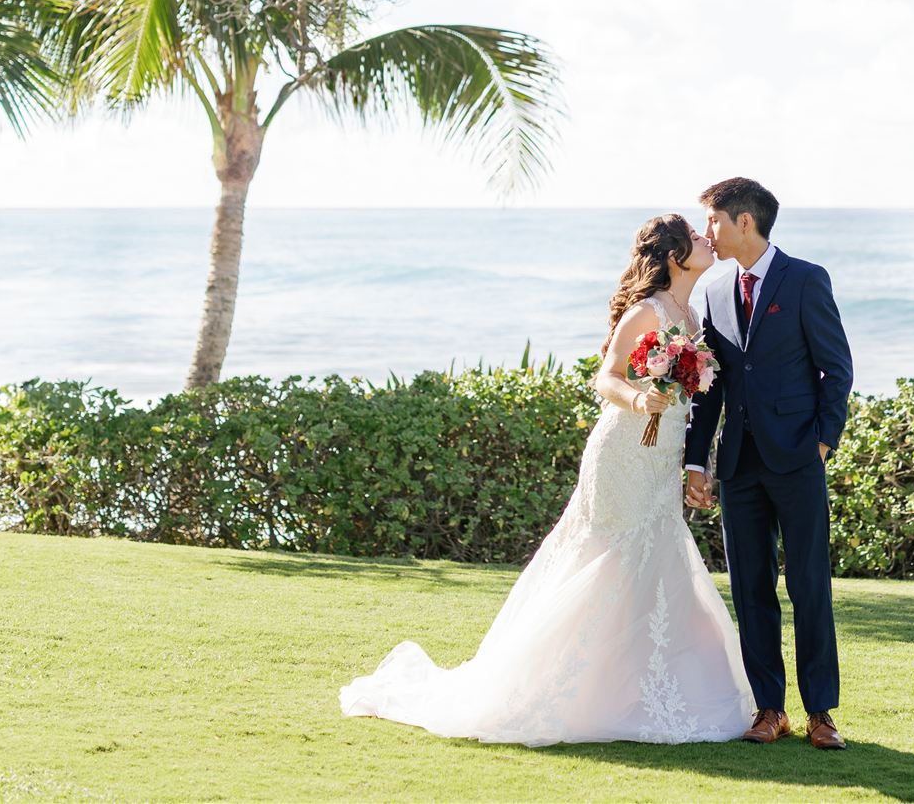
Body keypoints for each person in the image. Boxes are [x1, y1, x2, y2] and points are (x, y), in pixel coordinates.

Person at [340, 214, 755, 746]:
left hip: (661, 455)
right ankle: (564, 689)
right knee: (610, 558)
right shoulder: (646, 311)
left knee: (654, 560)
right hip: (624, 451)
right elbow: (606, 375)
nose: (706, 239)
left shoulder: (691, 314)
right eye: (697, 238)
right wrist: (638, 397)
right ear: (676, 256)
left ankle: (643, 689)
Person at [684, 176, 855, 750]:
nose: (707, 232)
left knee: (810, 587)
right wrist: (695, 462)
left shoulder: (806, 280)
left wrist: (823, 443)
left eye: (712, 220)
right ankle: (769, 710)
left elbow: (838, 369)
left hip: (799, 460)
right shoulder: (713, 290)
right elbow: (710, 388)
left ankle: (822, 714)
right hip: (739, 465)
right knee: (750, 588)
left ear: (744, 222)